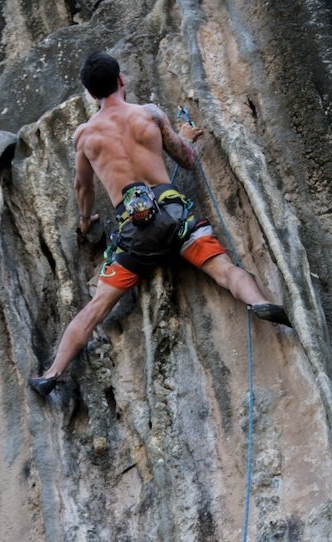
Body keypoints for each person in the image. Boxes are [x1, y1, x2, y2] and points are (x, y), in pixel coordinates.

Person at [29, 51, 291, 397]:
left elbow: (84, 186)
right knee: (225, 271)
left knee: (96, 308)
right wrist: (184, 135)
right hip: (176, 217)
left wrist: (84, 222)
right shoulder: (149, 114)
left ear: (91, 93)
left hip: (134, 235)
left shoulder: (85, 135)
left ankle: (52, 373)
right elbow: (185, 158)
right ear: (121, 79)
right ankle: (257, 302)